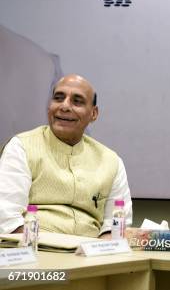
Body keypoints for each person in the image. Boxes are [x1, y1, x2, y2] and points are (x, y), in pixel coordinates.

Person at [0, 74, 132, 238]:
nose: (64, 106)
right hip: (36, 251)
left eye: (77, 101)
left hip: (91, 256)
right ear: (49, 107)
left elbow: (116, 226)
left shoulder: (111, 161)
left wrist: (101, 257)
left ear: (93, 113)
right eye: (58, 98)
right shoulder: (21, 147)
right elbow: (7, 217)